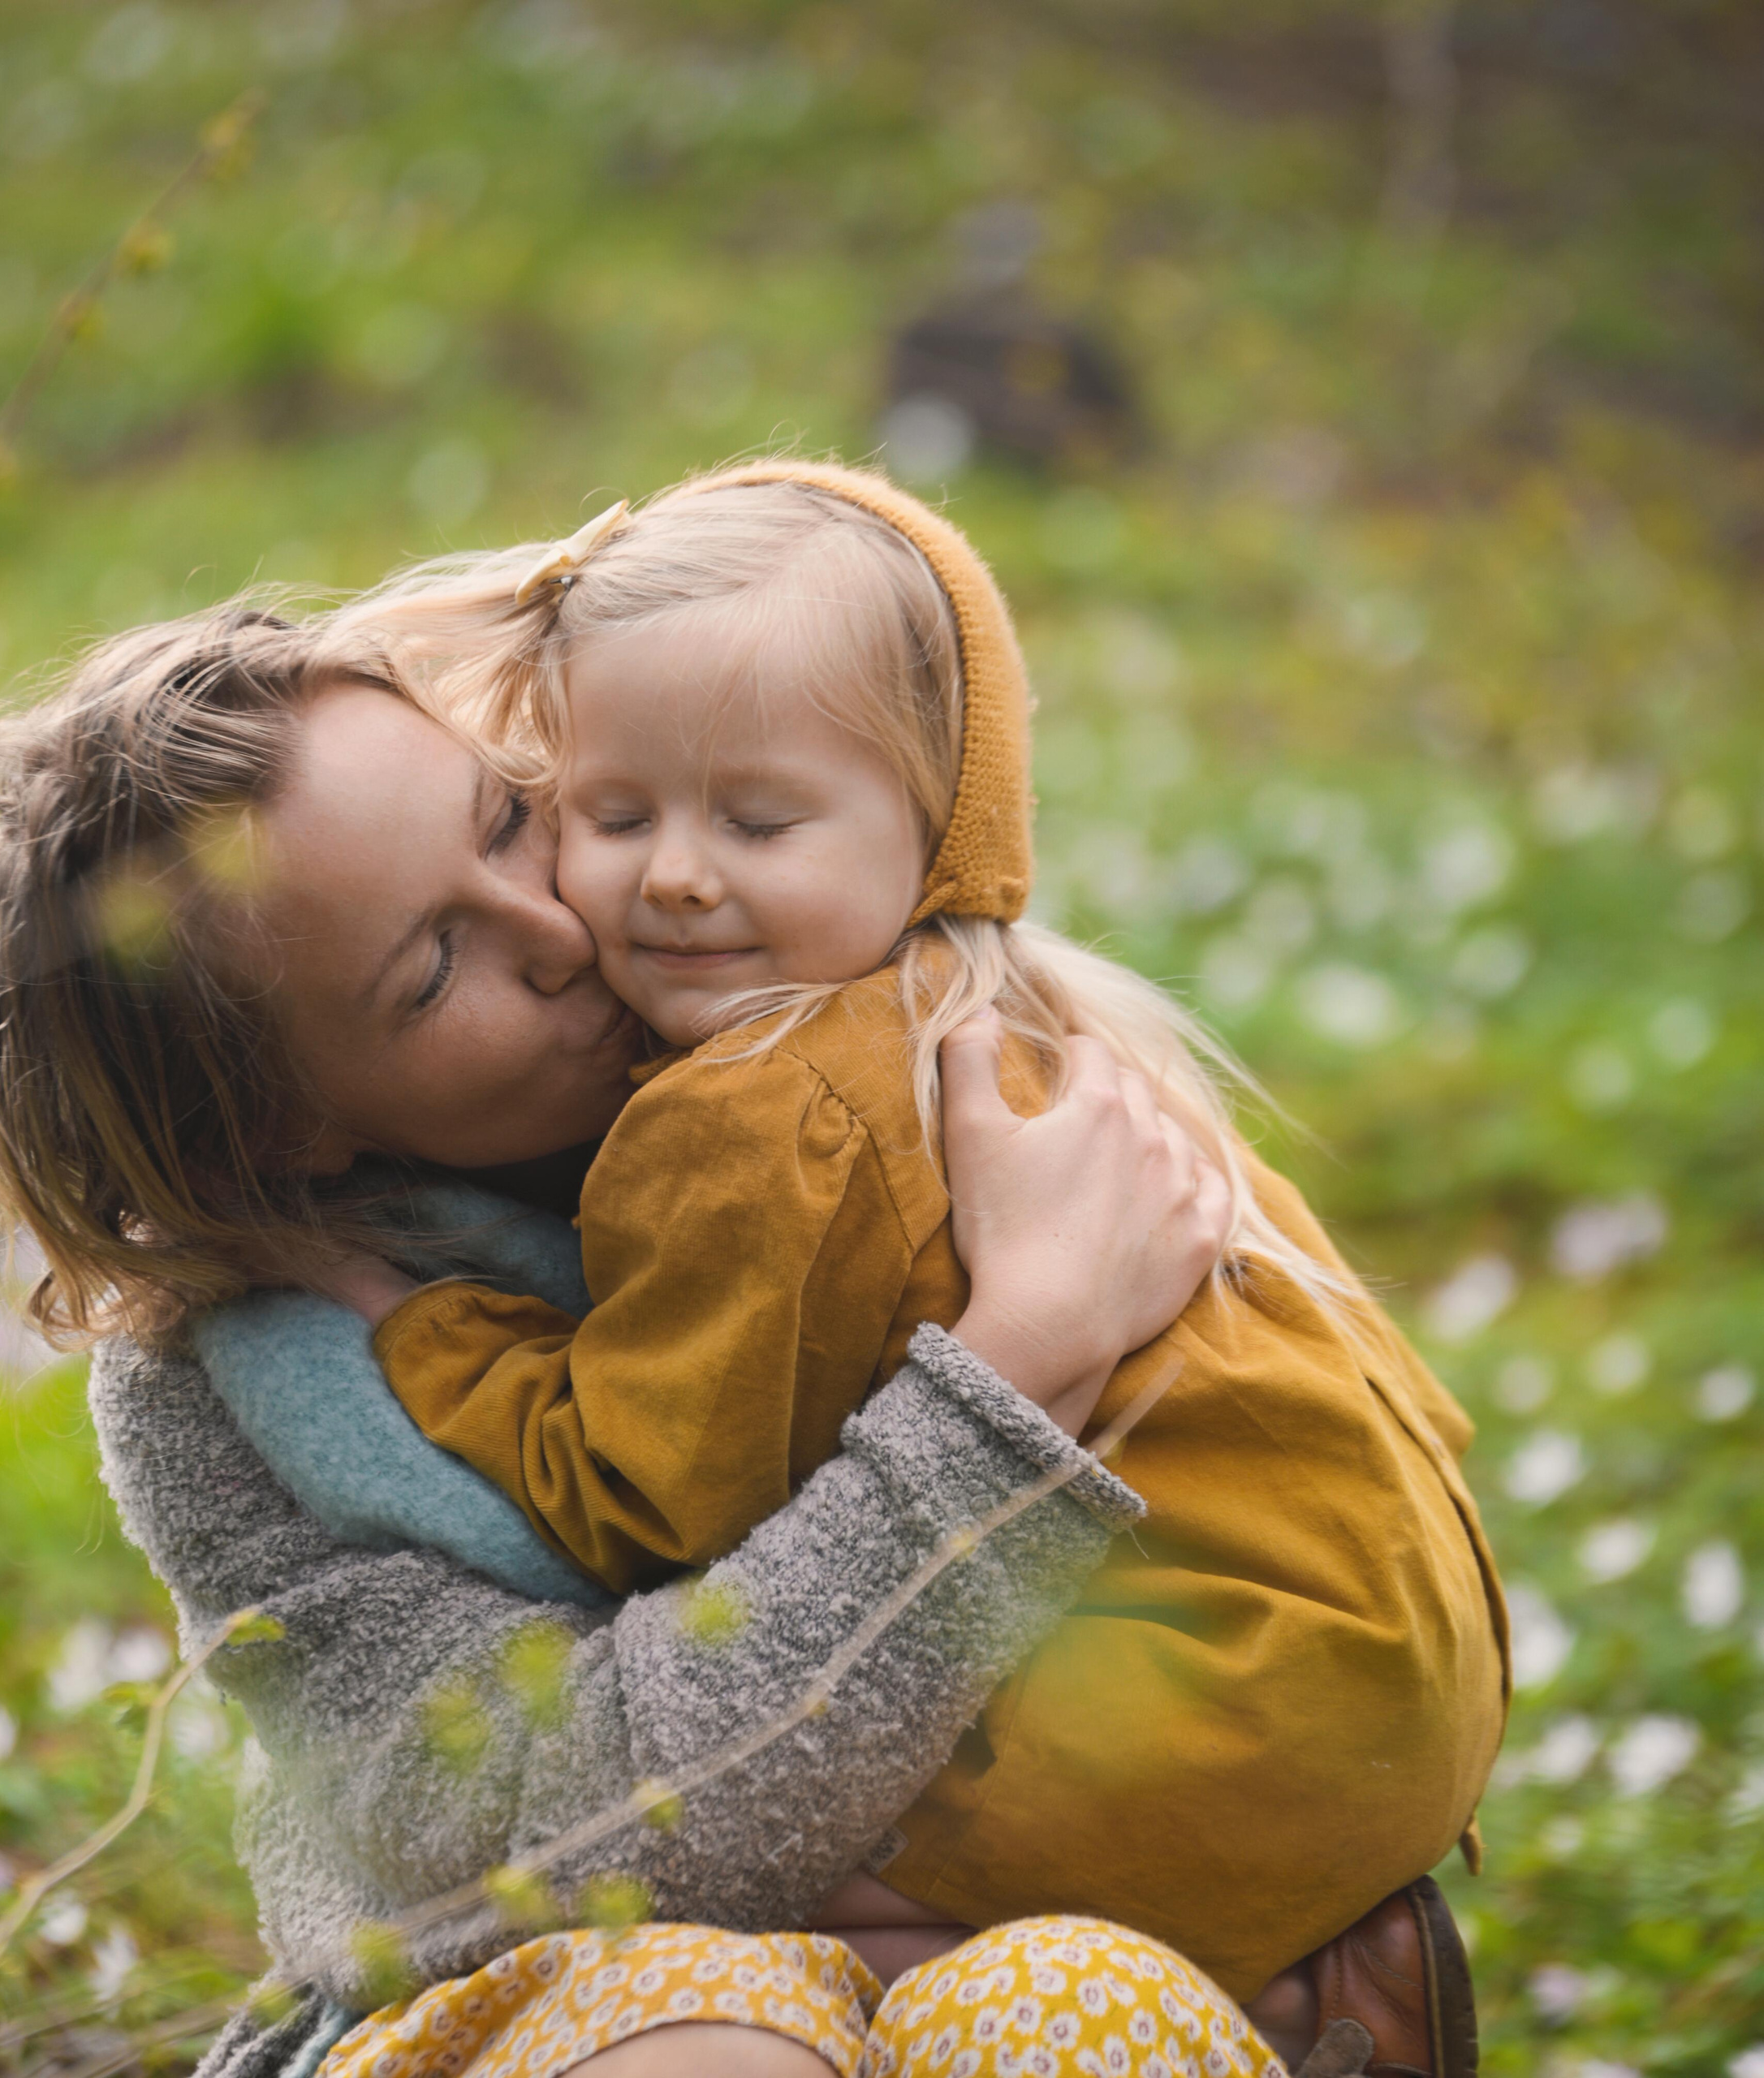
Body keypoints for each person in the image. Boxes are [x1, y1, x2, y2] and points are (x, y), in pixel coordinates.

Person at [198, 463, 1509, 2003]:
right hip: (1394, 1650)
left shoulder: (757, 1118)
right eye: (615, 814)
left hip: (1212, 1697)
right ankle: (1311, 1975)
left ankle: (1260, 1997)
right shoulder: (1012, 1017)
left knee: (741, 1911)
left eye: (758, 820)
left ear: (938, 820)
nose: (675, 876)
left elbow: (638, 1497)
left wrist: (437, 1337)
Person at [0, 597, 1301, 2076]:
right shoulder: (238, 1383)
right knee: (706, 2036)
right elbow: (571, 1827)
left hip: (1002, 1938)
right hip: (546, 2016)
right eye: (431, 972)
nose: (560, 933)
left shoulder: (869, 1048)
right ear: (272, 1131)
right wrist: (1017, 1370)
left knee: (1083, 2004)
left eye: (510, 819)